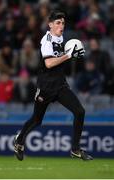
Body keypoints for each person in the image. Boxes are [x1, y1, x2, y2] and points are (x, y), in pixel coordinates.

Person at [14, 11, 93, 161]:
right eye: (57, 23)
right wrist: (69, 55)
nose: (61, 26)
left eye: (63, 23)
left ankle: (75, 149)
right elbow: (49, 63)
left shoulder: (61, 38)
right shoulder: (47, 40)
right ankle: (19, 140)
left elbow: (62, 59)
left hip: (60, 85)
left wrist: (75, 55)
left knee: (80, 111)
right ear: (50, 25)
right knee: (37, 120)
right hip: (46, 87)